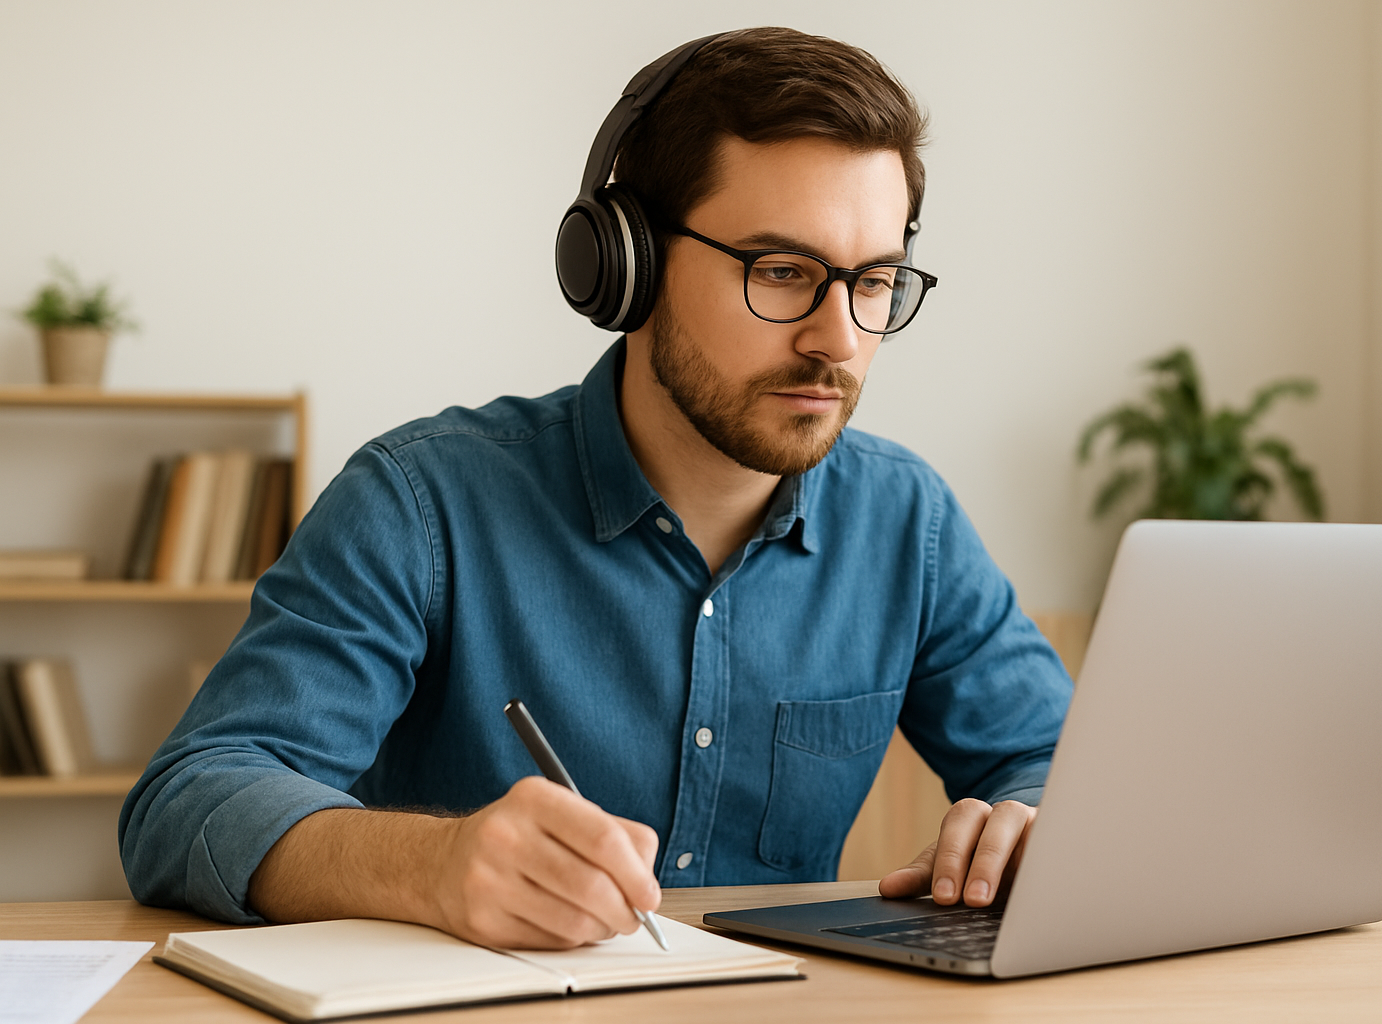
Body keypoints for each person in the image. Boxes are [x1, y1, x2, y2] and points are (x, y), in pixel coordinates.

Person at [118, 26, 1073, 951]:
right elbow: (192, 798)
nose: (840, 339)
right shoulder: (418, 503)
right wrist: (433, 864)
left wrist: (1030, 822)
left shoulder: (909, 521)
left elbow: (1063, 762)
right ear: (630, 265)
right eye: (783, 272)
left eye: (875, 281)